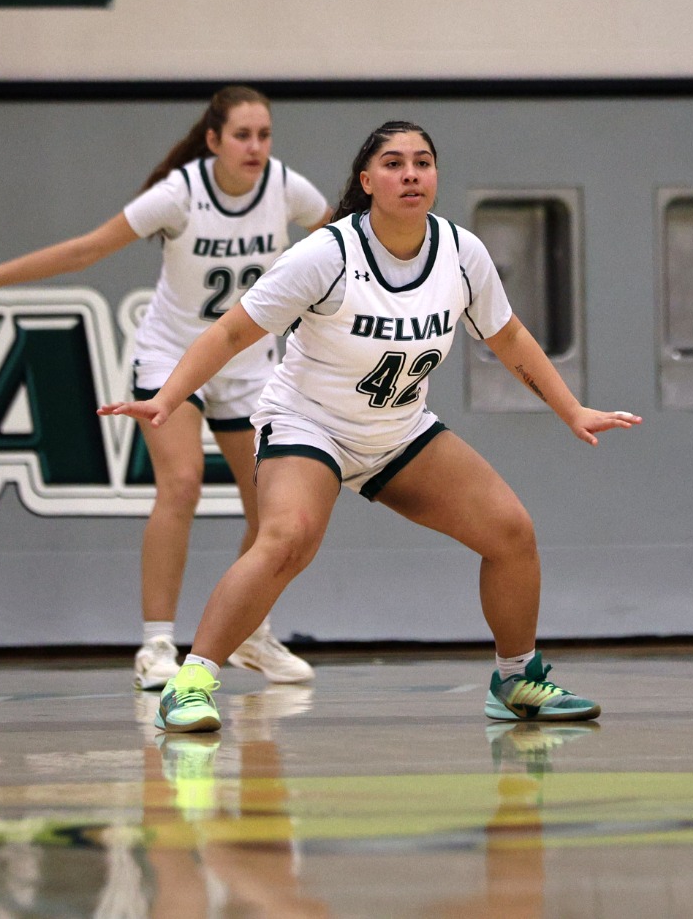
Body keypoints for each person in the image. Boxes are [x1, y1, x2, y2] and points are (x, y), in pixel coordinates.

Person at [101, 121, 640, 733]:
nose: (410, 173)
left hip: (397, 432)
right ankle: (191, 681)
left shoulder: (462, 253)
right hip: (310, 425)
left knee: (511, 531)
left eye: (422, 162)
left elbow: (508, 336)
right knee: (288, 537)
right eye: (393, 163)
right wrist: (170, 398)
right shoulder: (327, 253)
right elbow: (230, 331)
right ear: (367, 180)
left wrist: (571, 409)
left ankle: (517, 679)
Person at [0, 86, 330, 691]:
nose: (256, 146)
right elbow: (88, 249)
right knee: (180, 484)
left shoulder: (288, 189)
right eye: (242, 135)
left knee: (270, 509)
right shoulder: (179, 194)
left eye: (264, 135)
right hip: (171, 358)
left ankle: (252, 636)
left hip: (246, 363)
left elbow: (345, 243)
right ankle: (156, 644)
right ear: (213, 140)